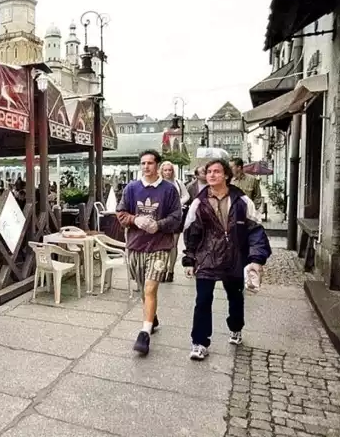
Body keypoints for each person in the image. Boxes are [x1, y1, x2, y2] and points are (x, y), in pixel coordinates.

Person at [182, 159, 271, 361]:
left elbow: (255, 230)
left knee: (236, 298)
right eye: (209, 171)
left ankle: (236, 328)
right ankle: (199, 342)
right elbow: (191, 232)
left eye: (217, 171)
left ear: (227, 175)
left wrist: (256, 258)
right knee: (203, 300)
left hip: (234, 257)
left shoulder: (242, 201)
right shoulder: (199, 202)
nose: (211, 175)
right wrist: (189, 259)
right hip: (207, 257)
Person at [116, 150, 182, 355]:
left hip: (160, 246)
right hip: (136, 245)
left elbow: (177, 217)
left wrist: (159, 225)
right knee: (144, 288)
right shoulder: (131, 188)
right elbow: (120, 213)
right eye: (143, 163)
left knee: (150, 289)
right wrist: (135, 220)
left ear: (158, 166)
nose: (146, 167)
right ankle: (152, 318)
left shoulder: (169, 190)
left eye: (150, 163)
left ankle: (144, 334)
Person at [159, 161, 190, 283]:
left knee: (173, 244)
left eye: (169, 170)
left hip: (176, 217)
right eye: (165, 170)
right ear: (161, 171)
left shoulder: (178, 183)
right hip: (162, 217)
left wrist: (178, 203)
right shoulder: (158, 183)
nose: (167, 172)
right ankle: (162, 269)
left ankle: (170, 270)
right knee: (162, 245)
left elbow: (186, 196)